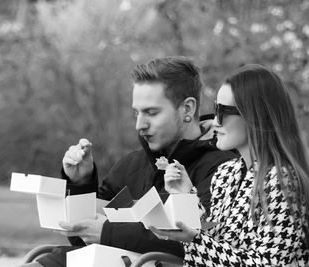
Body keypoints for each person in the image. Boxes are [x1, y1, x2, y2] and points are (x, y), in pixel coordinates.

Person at [23, 56, 237, 267]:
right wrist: (81, 183)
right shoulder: (131, 164)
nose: (139, 125)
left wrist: (108, 232)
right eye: (136, 113)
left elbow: (204, 243)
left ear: (187, 109)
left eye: (151, 113)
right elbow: (82, 239)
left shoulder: (224, 169)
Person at [151, 64, 309, 266]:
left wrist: (194, 240)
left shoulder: (284, 182)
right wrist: (185, 196)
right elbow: (216, 240)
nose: (215, 122)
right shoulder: (226, 173)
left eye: (223, 111)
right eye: (215, 109)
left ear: (256, 117)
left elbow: (267, 264)